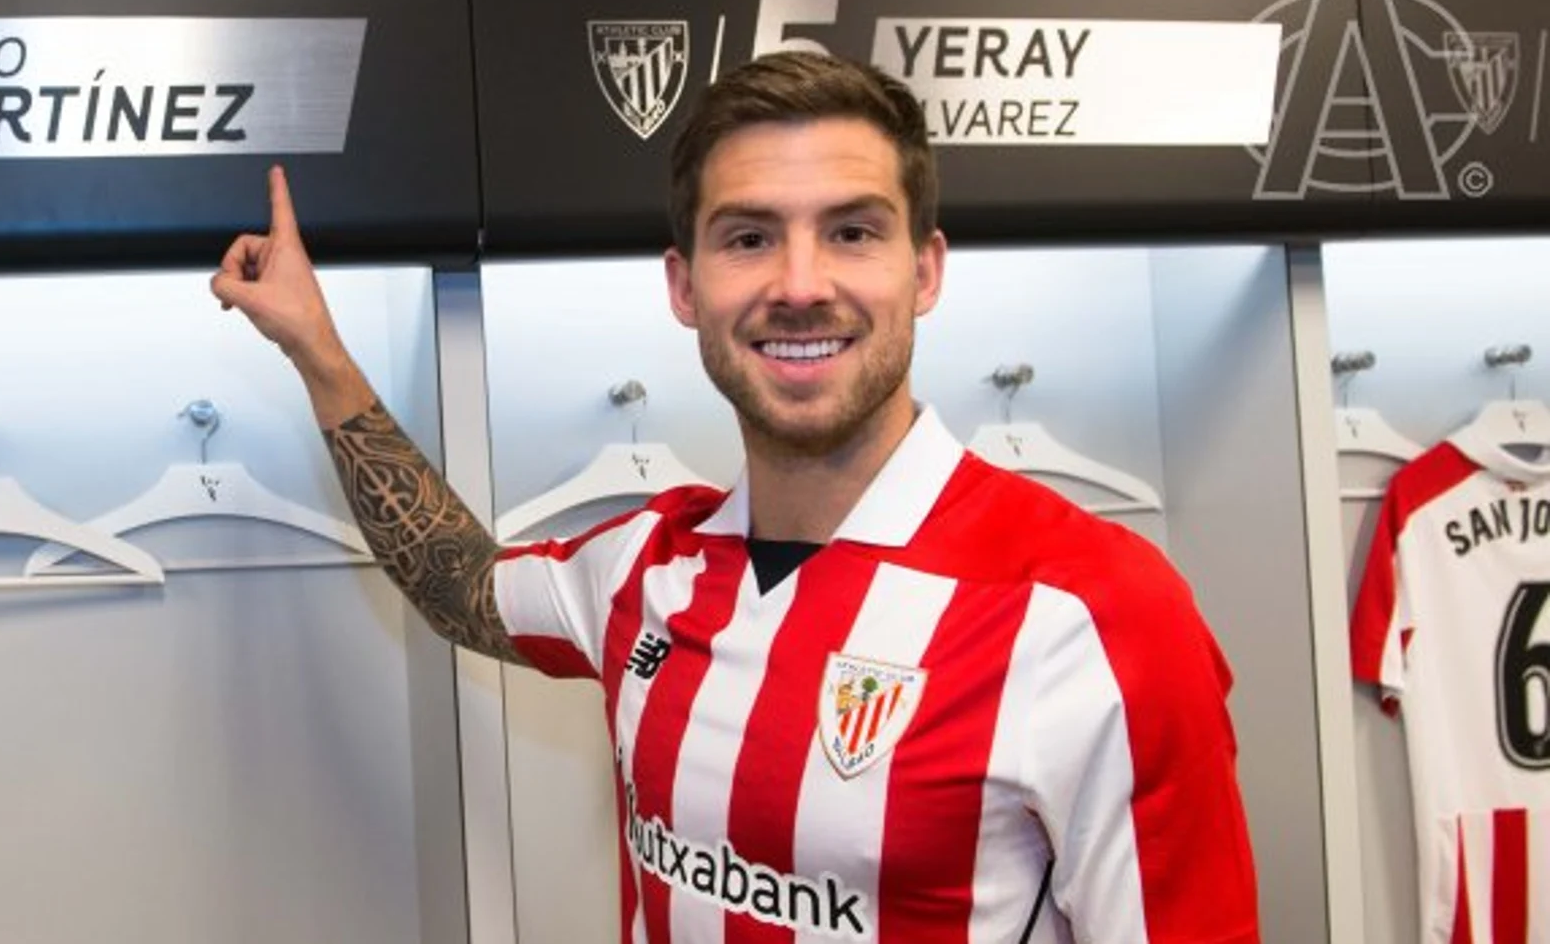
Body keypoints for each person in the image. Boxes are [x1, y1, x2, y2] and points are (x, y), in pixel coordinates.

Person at [211, 51, 1260, 943]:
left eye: (852, 230)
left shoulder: (1093, 617)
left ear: (926, 270)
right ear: (683, 284)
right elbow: (459, 583)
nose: (800, 283)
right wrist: (319, 352)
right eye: (749, 236)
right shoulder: (643, 567)